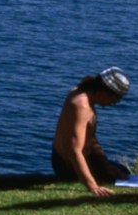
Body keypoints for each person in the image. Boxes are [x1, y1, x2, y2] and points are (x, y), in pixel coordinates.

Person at [51, 67, 131, 197]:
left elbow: (89, 139)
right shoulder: (82, 106)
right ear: (106, 92)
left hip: (67, 158)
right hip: (67, 166)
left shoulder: (79, 91)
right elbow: (74, 151)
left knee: (121, 171)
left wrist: (105, 166)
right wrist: (92, 185)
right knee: (118, 175)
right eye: (114, 100)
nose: (112, 104)